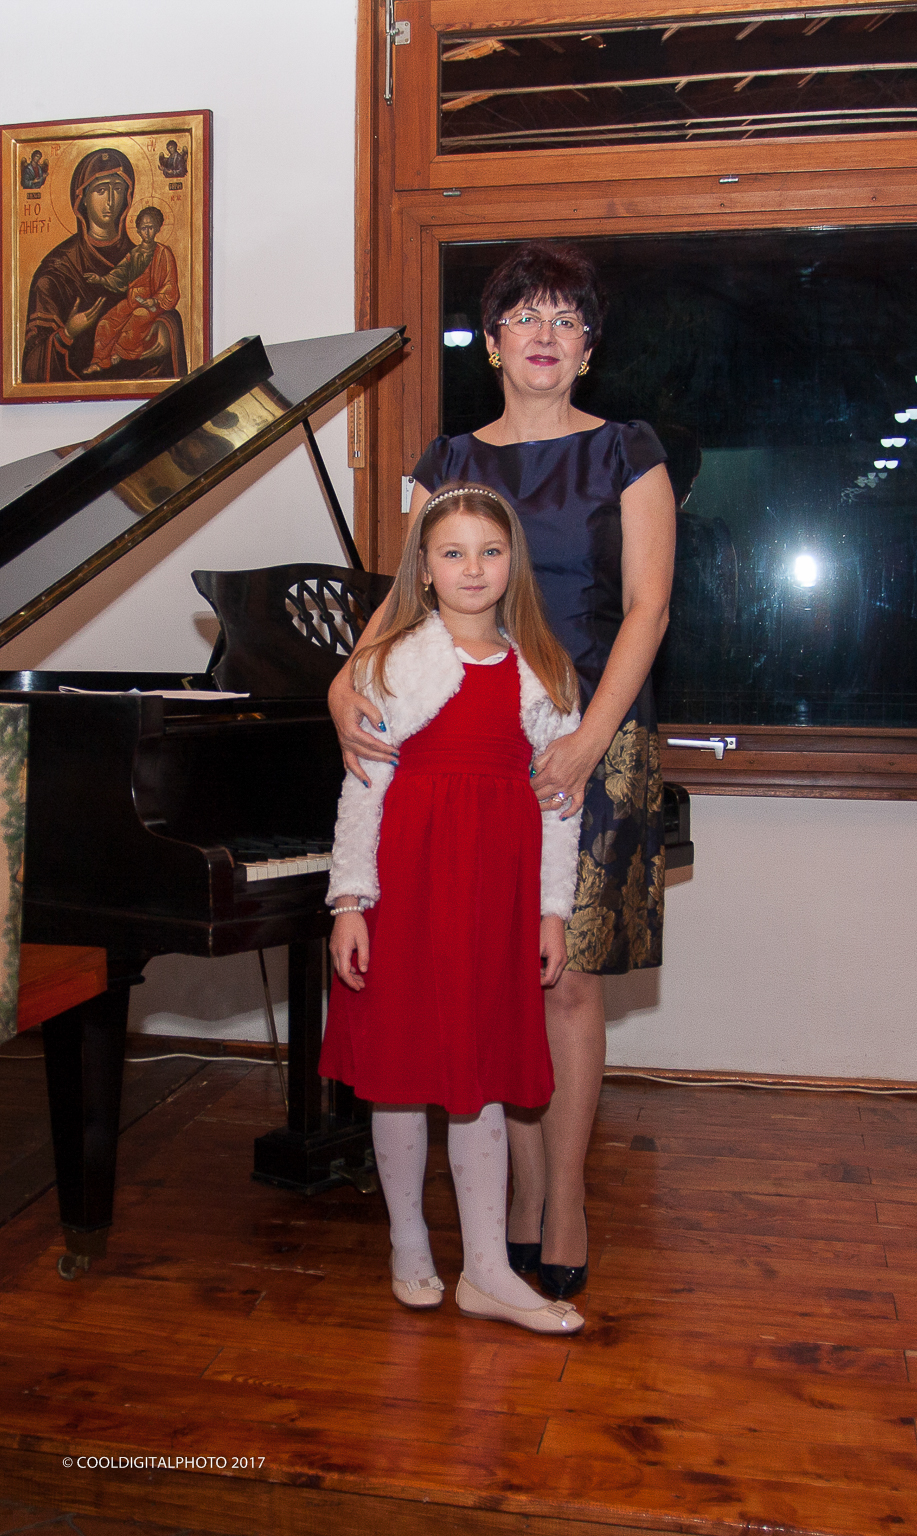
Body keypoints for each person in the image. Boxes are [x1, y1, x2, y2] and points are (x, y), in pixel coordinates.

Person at [328, 242, 677, 1300]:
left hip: (591, 734)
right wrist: (343, 685)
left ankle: (560, 1201)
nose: (544, 333)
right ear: (490, 343)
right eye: (524, 315)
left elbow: (649, 608)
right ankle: (508, 1209)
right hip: (467, 743)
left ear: (588, 347)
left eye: (567, 318)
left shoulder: (627, 451)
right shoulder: (447, 460)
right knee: (494, 978)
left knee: (563, 978)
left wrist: (583, 739)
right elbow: (404, 598)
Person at [320, 482, 585, 1336]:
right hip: (409, 885)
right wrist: (350, 900)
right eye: (453, 553)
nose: (474, 568)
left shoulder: (543, 670)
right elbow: (363, 788)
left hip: (494, 897)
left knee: (481, 1080)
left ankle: (486, 1270)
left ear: (513, 564)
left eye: (490, 551)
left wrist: (551, 910)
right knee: (401, 1071)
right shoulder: (394, 662)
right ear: (425, 570)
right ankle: (408, 1243)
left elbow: (560, 808)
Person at [20, 146, 186, 385]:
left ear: (127, 196)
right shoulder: (57, 270)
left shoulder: (146, 255)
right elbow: (32, 363)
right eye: (100, 190)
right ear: (83, 199)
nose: (110, 200)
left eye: (117, 189)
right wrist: (68, 333)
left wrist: (166, 327)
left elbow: (165, 296)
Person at [84, 207, 180, 373]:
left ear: (158, 228)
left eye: (151, 227)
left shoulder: (164, 254)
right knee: (106, 322)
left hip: (153, 304)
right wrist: (100, 279)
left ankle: (118, 353)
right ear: (138, 230)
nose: (147, 232)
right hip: (132, 301)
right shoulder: (134, 254)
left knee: (137, 317)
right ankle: (99, 361)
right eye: (143, 228)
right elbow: (120, 274)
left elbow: (170, 284)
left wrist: (154, 300)